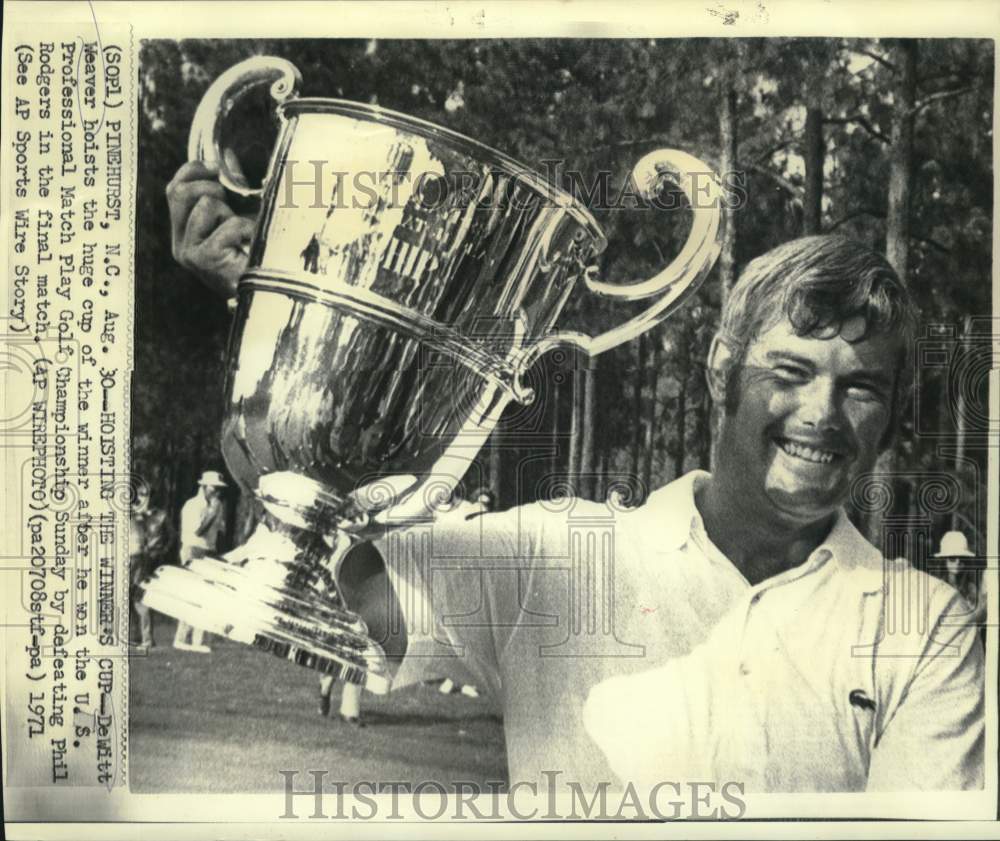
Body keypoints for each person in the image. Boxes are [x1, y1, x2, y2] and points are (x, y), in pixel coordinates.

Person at [168, 162, 983, 792]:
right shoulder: (559, 554)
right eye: (791, 370)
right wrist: (295, 323)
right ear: (720, 372)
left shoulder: (927, 630)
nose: (823, 412)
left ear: (891, 412)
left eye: (861, 386)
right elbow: (348, 590)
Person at [175, 470, 229, 653]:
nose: (217, 491)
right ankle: (181, 638)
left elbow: (220, 532)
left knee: (205, 597)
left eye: (219, 488)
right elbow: (198, 531)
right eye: (214, 487)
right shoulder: (192, 505)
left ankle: (198, 640)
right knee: (192, 596)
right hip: (193, 549)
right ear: (204, 487)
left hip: (209, 551)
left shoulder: (217, 505)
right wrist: (213, 513)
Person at [129, 483, 177, 650]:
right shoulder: (132, 513)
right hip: (132, 557)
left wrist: (161, 551)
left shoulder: (159, 515)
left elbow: (171, 536)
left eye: (147, 494)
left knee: (140, 598)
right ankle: (135, 637)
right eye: (141, 494)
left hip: (143, 558)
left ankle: (147, 639)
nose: (144, 497)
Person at [935, 530, 986, 624]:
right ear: (944, 561)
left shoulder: (972, 588)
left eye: (962, 558)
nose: (957, 562)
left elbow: (979, 617)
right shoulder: (937, 587)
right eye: (952, 558)